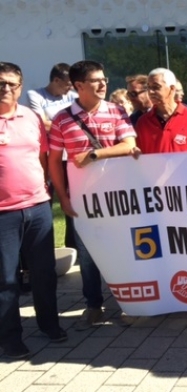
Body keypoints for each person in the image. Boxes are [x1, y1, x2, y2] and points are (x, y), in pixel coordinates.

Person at [49, 60, 140, 331]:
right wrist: (63, 198)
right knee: (88, 256)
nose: (103, 84)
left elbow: (129, 145)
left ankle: (129, 303)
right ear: (79, 86)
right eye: (96, 81)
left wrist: (94, 154)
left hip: (118, 200)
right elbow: (54, 160)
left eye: (104, 80)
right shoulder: (62, 119)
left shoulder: (116, 111)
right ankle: (93, 304)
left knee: (124, 251)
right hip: (83, 201)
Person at [0, 62, 67, 360]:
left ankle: (49, 324)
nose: (6, 89)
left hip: (38, 207)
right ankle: (10, 338)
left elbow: (42, 156)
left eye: (12, 84)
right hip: (3, 214)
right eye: (1, 83)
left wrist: (46, 190)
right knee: (7, 280)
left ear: (21, 87)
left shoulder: (30, 116)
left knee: (44, 274)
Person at [26, 63, 79, 251]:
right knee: (46, 199)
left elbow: (79, 120)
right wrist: (69, 127)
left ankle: (73, 246)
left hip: (70, 155)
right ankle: (44, 247)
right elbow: (41, 124)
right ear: (56, 80)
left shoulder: (72, 96)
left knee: (72, 199)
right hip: (47, 155)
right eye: (66, 84)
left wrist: (57, 126)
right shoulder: (36, 95)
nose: (69, 88)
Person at [135, 68, 187, 154]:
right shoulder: (143, 122)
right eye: (148, 87)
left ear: (172, 89)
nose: (150, 92)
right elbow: (138, 156)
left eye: (156, 87)